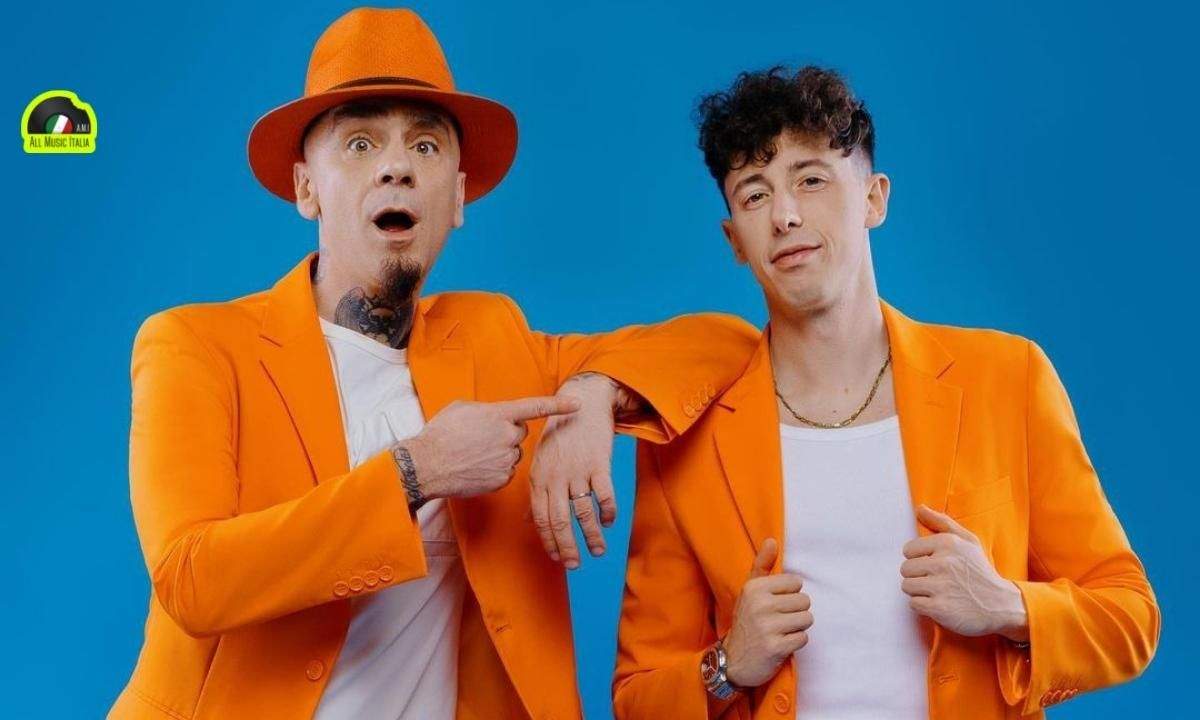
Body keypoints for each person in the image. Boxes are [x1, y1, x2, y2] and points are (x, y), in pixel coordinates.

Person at [109, 9, 757, 719]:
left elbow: (723, 341)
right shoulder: (197, 346)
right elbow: (192, 579)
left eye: (424, 145)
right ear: (306, 188)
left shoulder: (491, 338)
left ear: (458, 197)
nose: (397, 166)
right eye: (360, 143)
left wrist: (594, 393)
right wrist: (415, 473)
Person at [613, 65, 1159, 719]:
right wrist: (727, 664)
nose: (785, 215)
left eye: (811, 180)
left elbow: (1130, 616)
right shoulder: (687, 436)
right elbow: (636, 696)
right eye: (754, 196)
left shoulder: (1007, 377)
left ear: (874, 199)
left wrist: (1009, 606)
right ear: (735, 240)